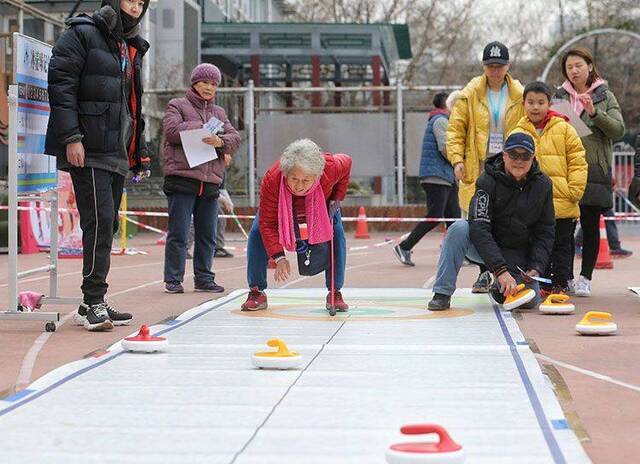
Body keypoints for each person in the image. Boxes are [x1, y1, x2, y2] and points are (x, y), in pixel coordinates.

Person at [45, 0, 151, 331]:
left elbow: (133, 105)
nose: (135, 7)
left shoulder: (129, 45)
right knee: (99, 222)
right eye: (129, 0)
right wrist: (72, 137)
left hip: (116, 150)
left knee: (108, 226)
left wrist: (139, 152)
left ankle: (94, 300)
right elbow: (61, 86)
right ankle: (92, 301)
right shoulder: (82, 33)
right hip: (88, 147)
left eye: (141, 3)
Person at [428, 133, 555, 311]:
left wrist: (536, 266)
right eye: (513, 155)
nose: (519, 160)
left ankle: (499, 289)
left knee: (529, 302)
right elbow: (479, 228)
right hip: (484, 246)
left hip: (516, 251)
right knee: (459, 228)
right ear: (504, 155)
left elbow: (545, 230)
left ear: (533, 158)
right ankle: (442, 292)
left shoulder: (544, 185)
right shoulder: (487, 180)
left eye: (525, 156)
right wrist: (500, 270)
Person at [446, 41, 524, 293]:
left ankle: (498, 271)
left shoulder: (520, 95)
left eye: (499, 66)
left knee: (504, 221)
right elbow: (455, 129)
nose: (495, 70)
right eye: (490, 66)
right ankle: (483, 273)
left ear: (508, 66)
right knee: (477, 221)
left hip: (509, 166)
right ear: (483, 66)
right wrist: (457, 159)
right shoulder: (468, 94)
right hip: (478, 166)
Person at [240, 139, 352, 312]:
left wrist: (336, 197)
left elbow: (347, 162)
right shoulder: (273, 179)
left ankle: (335, 291)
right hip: (283, 208)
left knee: (337, 235)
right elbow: (268, 223)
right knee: (256, 232)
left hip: (321, 205)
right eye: (294, 179)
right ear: (285, 173)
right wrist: (279, 257)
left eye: (306, 180)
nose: (299, 186)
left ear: (317, 175)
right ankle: (256, 290)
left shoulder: (331, 167)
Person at [162, 63, 240, 294]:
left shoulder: (220, 113)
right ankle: (173, 279)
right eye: (205, 82)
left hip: (210, 181)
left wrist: (221, 142)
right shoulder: (177, 105)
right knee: (179, 233)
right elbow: (172, 132)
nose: (209, 87)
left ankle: (204, 278)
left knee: (208, 234)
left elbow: (234, 136)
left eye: (214, 84)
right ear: (194, 83)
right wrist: (203, 128)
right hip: (182, 179)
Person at [554, 47, 625, 297]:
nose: (574, 71)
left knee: (590, 224)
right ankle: (564, 276)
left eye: (578, 65)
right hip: (563, 169)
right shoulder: (559, 96)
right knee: (561, 225)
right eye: (569, 67)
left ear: (590, 66)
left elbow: (618, 130)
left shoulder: (604, 95)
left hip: (594, 168)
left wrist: (595, 113)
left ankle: (585, 277)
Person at [513, 81, 587, 294]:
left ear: (549, 103)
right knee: (538, 245)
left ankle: (561, 284)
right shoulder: (518, 131)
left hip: (562, 201)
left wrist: (574, 191)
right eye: (531, 102)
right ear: (523, 103)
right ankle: (543, 284)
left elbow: (578, 161)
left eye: (540, 102)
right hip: (532, 204)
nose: (535, 107)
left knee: (562, 245)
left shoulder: (564, 128)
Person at [393, 92, 461, 267]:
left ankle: (461, 253)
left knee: (454, 218)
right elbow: (445, 148)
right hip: (436, 176)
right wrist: (460, 160)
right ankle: (404, 246)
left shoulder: (444, 120)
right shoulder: (440, 120)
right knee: (435, 215)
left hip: (446, 176)